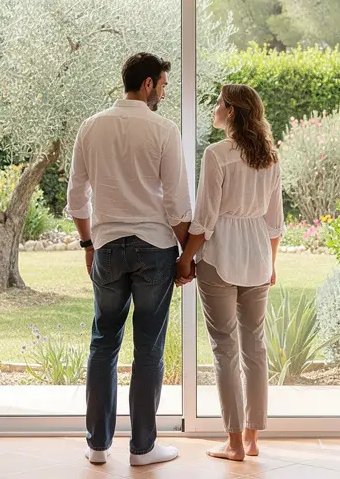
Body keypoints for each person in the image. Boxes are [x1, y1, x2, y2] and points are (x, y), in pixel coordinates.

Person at [66, 52, 190, 467]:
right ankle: (143, 449)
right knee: (148, 349)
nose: (164, 94)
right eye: (163, 85)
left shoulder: (91, 127)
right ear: (148, 83)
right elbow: (176, 203)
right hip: (154, 248)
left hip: (107, 247)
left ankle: (98, 446)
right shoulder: (163, 129)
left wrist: (88, 245)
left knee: (103, 343)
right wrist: (186, 255)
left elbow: (76, 197)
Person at [176, 84, 283, 461]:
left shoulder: (217, 154)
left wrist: (186, 259)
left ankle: (233, 442)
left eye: (219, 104)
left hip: (220, 256)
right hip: (258, 257)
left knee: (225, 349)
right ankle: (251, 439)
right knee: (255, 347)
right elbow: (274, 222)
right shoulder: (270, 157)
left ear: (232, 112)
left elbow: (205, 218)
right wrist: (271, 264)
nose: (214, 109)